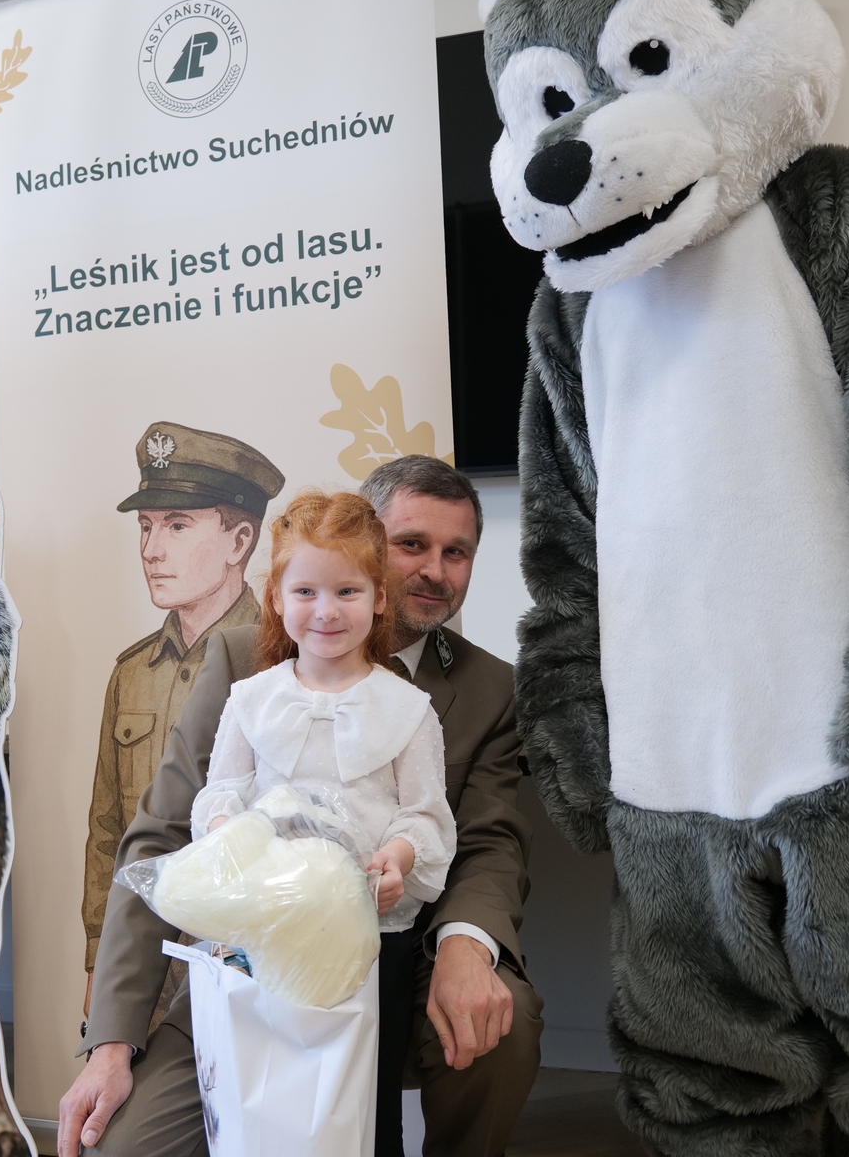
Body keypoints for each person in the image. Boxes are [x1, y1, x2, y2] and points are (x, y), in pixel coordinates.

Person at [63, 455, 541, 1157]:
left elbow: (489, 840)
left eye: (457, 552)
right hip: (250, 963)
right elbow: (159, 837)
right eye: (412, 544)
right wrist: (110, 1043)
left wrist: (466, 945)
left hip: (398, 958)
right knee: (128, 1147)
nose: (435, 571)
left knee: (503, 1022)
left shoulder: (488, 688)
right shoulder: (240, 666)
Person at [192, 490, 458, 1148]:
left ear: (379, 598)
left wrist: (397, 860)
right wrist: (231, 836)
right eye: (306, 591)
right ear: (277, 598)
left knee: (365, 1099)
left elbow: (424, 816)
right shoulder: (252, 701)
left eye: (347, 591)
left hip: (373, 940)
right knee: (271, 1094)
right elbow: (221, 795)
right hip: (269, 933)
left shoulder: (409, 711)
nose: (326, 610)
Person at [81, 422, 286, 994]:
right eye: (146, 527)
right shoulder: (133, 673)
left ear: (239, 543)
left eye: (176, 525)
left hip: (248, 961)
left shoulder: (283, 664)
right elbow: (107, 831)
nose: (151, 550)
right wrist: (99, 960)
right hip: (143, 961)